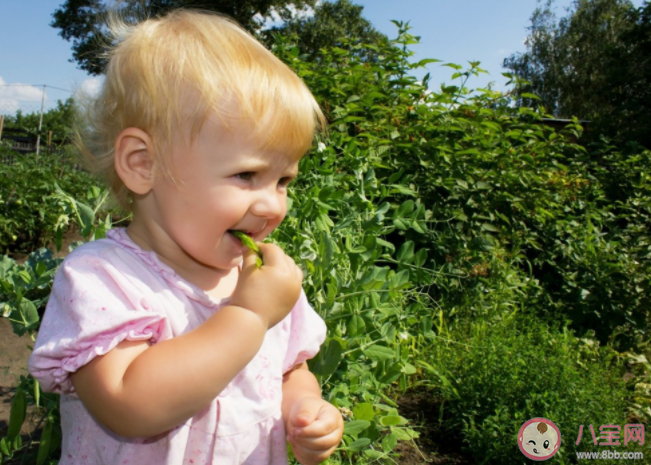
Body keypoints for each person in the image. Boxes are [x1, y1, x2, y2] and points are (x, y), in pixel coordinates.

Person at [28, 9, 343, 465]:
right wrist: (249, 316)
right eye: (247, 174)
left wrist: (304, 410)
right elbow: (127, 405)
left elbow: (291, 370)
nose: (274, 205)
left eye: (284, 181)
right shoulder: (102, 280)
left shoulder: (261, 283)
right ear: (143, 164)